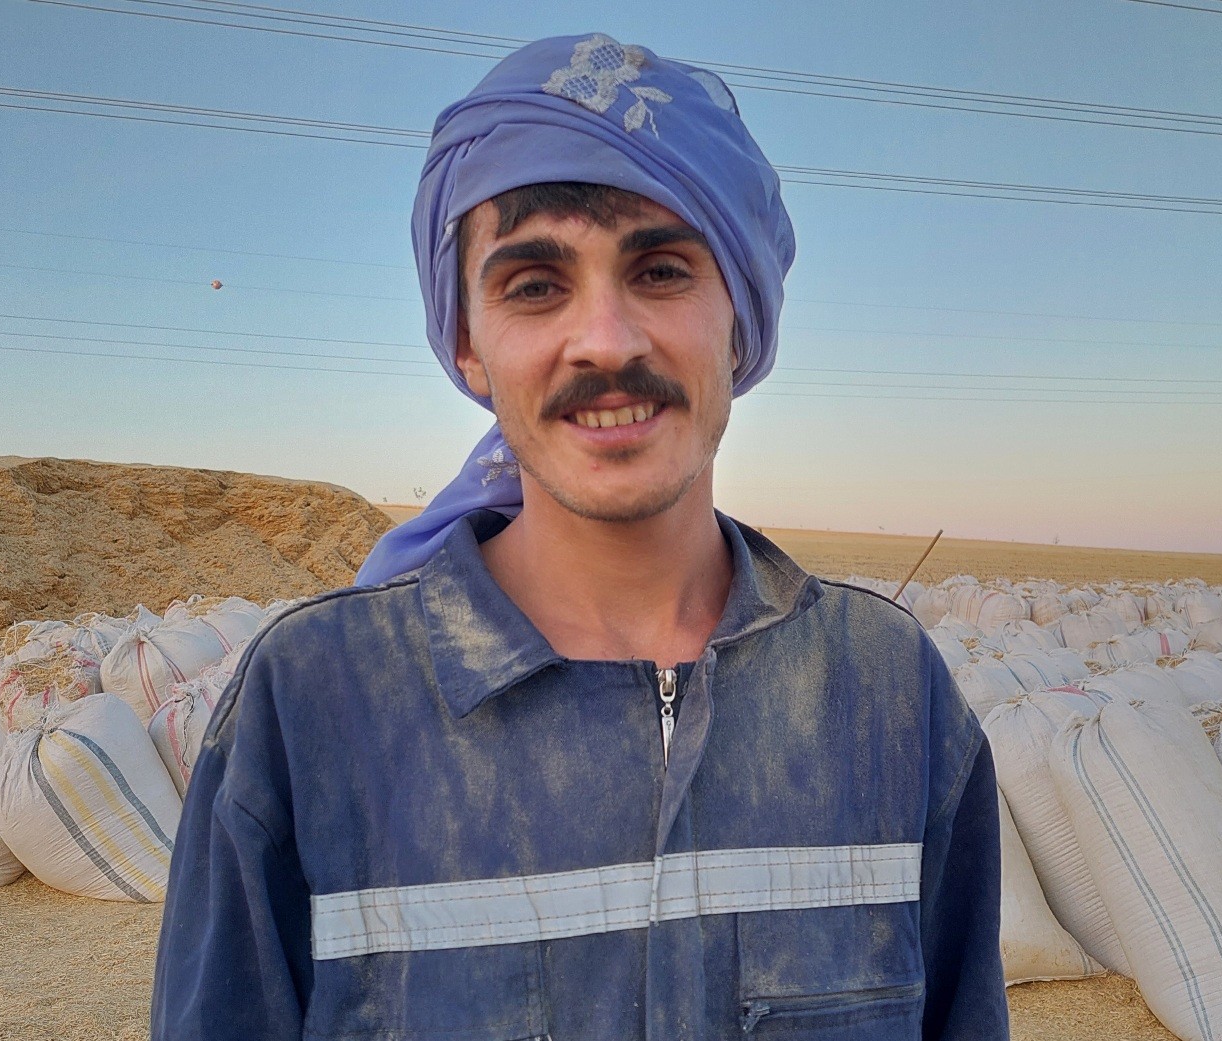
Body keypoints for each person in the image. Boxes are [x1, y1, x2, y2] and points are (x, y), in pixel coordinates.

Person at [153, 33, 1007, 1040]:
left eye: (661, 270)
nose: (604, 340)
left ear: (738, 319)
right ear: (468, 345)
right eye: (534, 285)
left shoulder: (887, 693)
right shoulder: (311, 710)